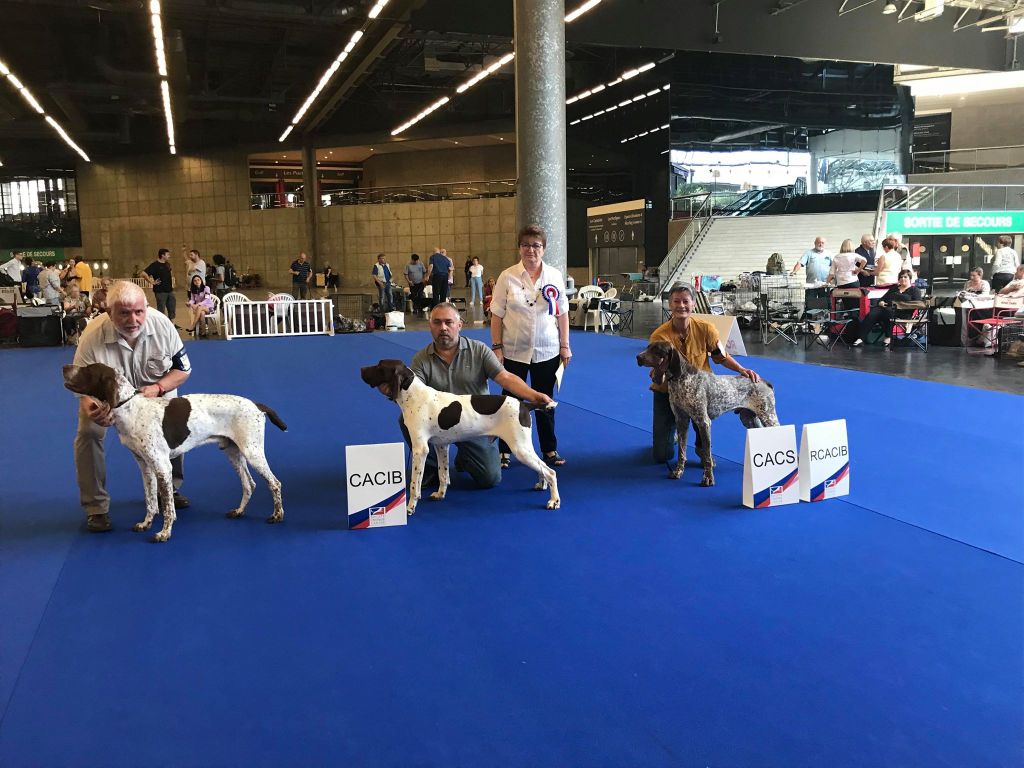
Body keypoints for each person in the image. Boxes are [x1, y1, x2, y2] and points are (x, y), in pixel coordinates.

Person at [72, 280, 192, 532]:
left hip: (155, 387)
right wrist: (93, 410)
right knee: (88, 433)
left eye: (139, 312)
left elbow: (182, 370)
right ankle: (96, 508)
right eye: (124, 313)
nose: (133, 319)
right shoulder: (91, 336)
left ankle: (170, 488)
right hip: (106, 395)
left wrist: (159, 388)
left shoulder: (163, 325)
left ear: (146, 308)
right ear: (109, 312)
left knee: (174, 417)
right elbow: (84, 389)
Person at [407, 302, 553, 492]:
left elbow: (505, 378)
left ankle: (465, 456)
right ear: (430, 326)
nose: (443, 327)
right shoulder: (421, 358)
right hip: (440, 424)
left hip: (477, 422)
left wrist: (534, 396)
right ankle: (431, 469)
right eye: (437, 322)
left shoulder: (479, 350)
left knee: (490, 478)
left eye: (448, 322)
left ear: (459, 325)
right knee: (407, 419)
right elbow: (413, 393)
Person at [649, 284, 761, 465]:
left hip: (700, 391)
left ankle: (702, 448)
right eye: (676, 301)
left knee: (703, 422)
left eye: (686, 301)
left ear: (693, 304)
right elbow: (656, 370)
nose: (681, 306)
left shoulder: (707, 329)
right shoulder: (659, 336)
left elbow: (721, 357)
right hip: (667, 392)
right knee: (662, 455)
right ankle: (674, 434)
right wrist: (658, 373)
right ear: (670, 305)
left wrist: (741, 370)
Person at [490, 224, 571, 468]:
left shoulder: (555, 276)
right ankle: (504, 450)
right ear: (519, 248)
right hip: (514, 350)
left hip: (547, 351)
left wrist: (565, 346)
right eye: (526, 245)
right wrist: (497, 347)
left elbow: (563, 314)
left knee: (545, 401)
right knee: (510, 402)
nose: (531, 250)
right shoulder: (507, 276)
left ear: (544, 249)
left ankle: (549, 450)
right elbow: (496, 315)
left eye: (536, 245)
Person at [853, 270, 923, 348]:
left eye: (905, 277)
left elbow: (917, 304)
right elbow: (882, 299)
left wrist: (899, 301)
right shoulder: (894, 288)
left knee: (887, 312)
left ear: (910, 278)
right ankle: (860, 338)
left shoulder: (915, 290)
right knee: (873, 313)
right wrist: (881, 302)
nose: (903, 278)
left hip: (904, 313)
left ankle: (888, 337)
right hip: (887, 309)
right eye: (901, 277)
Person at [143, 248, 176, 320]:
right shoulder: (155, 265)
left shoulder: (167, 264)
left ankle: (172, 324)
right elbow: (144, 273)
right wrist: (151, 282)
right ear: (162, 255)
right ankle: (162, 325)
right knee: (161, 310)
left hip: (170, 290)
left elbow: (169, 273)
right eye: (167, 254)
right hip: (160, 291)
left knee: (172, 308)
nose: (169, 256)